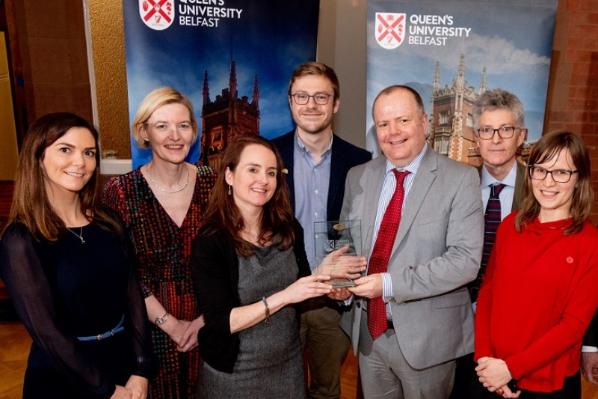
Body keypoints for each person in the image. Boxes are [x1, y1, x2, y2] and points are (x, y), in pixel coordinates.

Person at [190, 135, 366, 398]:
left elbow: (301, 293)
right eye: (253, 169)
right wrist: (286, 296)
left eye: (271, 172)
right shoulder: (210, 242)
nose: (263, 180)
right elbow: (221, 321)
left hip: (288, 367)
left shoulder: (288, 228)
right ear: (229, 175)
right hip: (234, 374)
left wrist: (324, 280)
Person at [337, 85, 484, 398]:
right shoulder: (358, 176)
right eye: (383, 124)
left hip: (428, 344)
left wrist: (388, 285)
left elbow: (465, 261)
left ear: (425, 122)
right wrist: (340, 279)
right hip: (369, 335)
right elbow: (345, 241)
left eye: (403, 120)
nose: (393, 132)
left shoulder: (461, 179)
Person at [0, 113, 154, 398]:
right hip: (64, 378)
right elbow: (47, 332)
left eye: (89, 152)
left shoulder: (109, 222)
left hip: (124, 367)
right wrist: (106, 390)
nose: (80, 162)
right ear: (38, 158)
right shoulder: (20, 240)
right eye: (65, 149)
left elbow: (133, 296)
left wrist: (142, 370)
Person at [103, 87, 215, 399]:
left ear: (194, 130)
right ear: (144, 132)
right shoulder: (120, 192)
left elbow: (232, 259)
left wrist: (206, 318)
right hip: (149, 332)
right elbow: (123, 273)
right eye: (162, 126)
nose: (175, 135)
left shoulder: (213, 182)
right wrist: (171, 325)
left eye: (183, 125)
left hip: (209, 327)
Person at [272, 61, 371, 399]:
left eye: (321, 97)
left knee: (327, 390)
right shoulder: (267, 155)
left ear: (336, 104)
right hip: (281, 299)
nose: (311, 104)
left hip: (334, 302)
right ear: (290, 101)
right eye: (302, 96)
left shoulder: (362, 161)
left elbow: (362, 230)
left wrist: (345, 283)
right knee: (282, 390)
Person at [474, 131, 598, 398]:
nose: (548, 181)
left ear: (579, 179)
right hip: (491, 374)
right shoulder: (510, 226)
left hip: (546, 383)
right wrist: (485, 359)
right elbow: (487, 294)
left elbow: (574, 325)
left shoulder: (590, 243)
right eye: (540, 170)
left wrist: (512, 368)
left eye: (561, 172)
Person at [450, 89, 527, 399]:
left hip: (515, 332)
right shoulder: (456, 186)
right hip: (457, 323)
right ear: (476, 137)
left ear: (520, 136)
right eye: (485, 130)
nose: (495, 139)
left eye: (505, 129)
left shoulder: (542, 191)